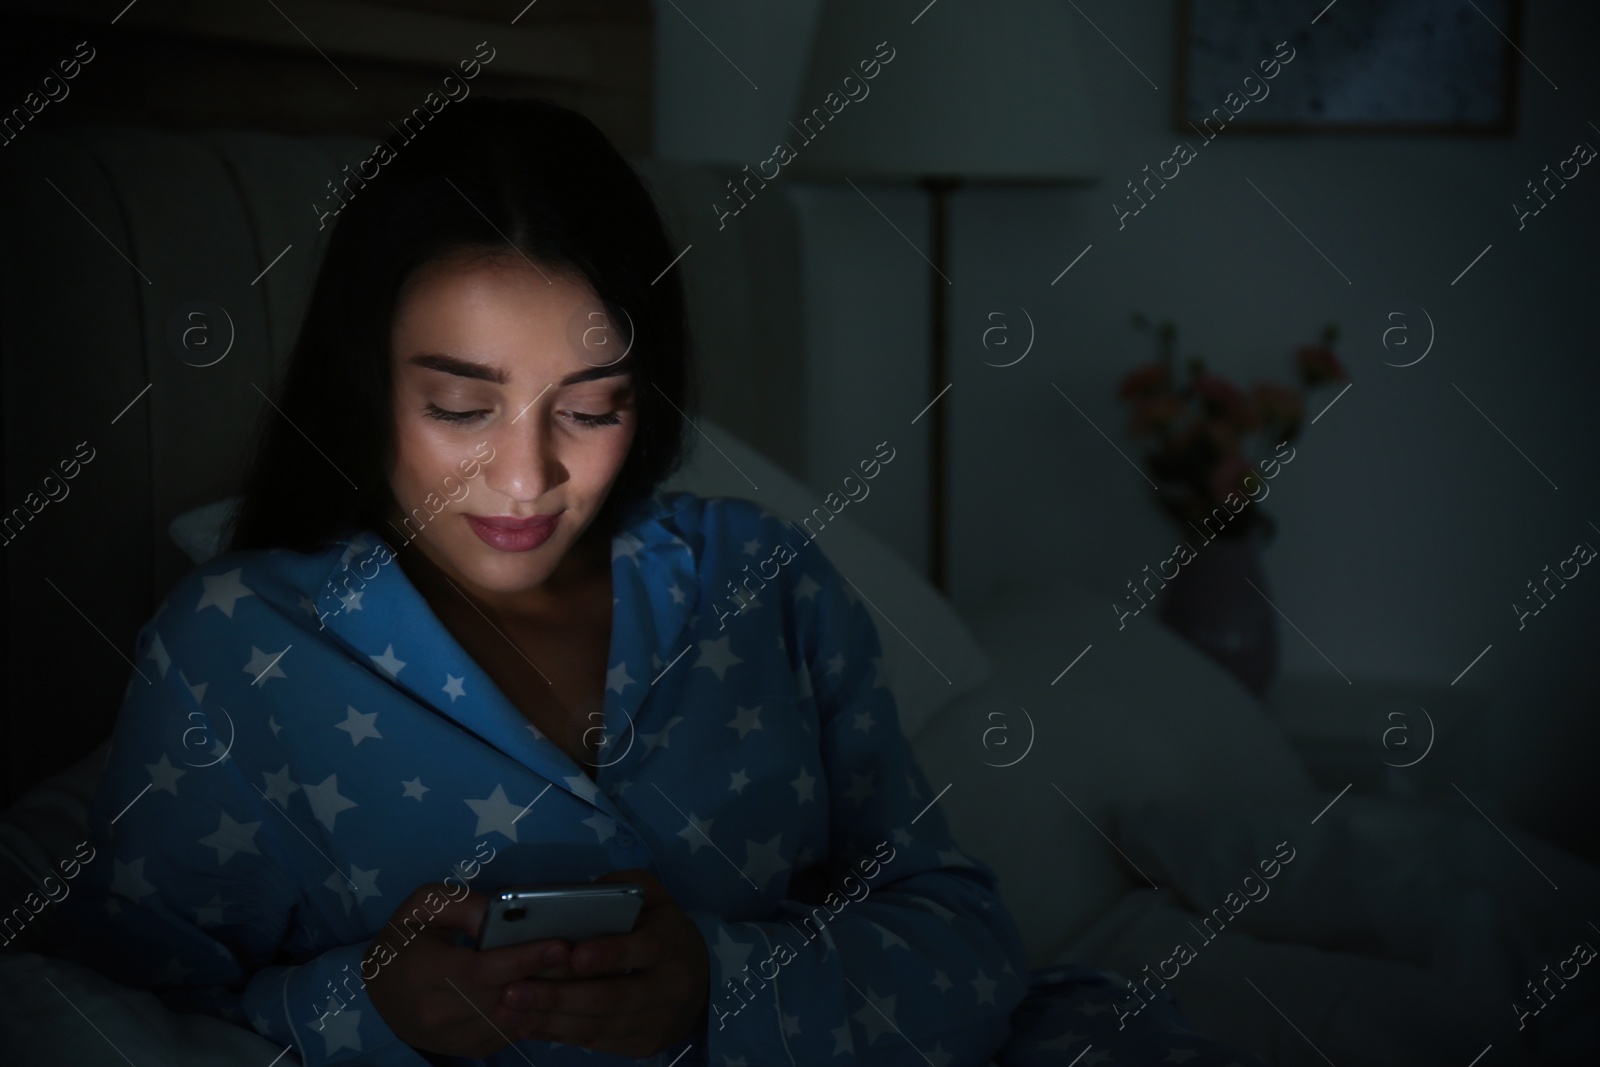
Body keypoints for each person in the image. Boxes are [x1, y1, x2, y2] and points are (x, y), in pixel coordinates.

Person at [55, 96, 1269, 1067]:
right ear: (366, 390)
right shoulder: (236, 649)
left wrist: (718, 986)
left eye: (590, 409)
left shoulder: (762, 581)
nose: (526, 478)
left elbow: (959, 944)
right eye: (460, 407)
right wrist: (373, 1007)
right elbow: (112, 1011)